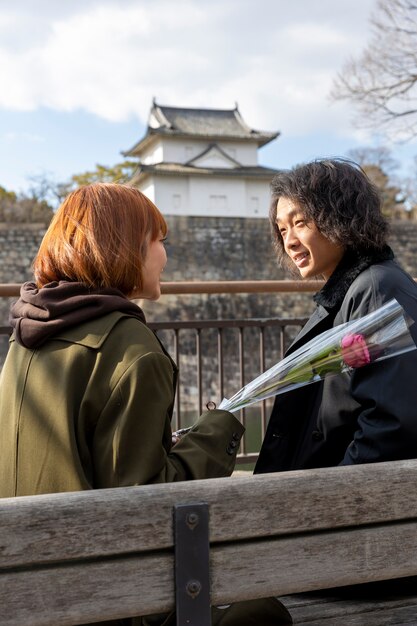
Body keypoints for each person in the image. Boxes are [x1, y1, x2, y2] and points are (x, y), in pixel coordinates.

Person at [0, 183, 291, 626]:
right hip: (102, 601)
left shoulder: (27, 335)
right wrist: (217, 428)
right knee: (267, 612)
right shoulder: (133, 351)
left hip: (21, 589)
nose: (165, 256)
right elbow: (147, 507)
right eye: (159, 241)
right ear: (125, 248)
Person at [255, 158, 417, 475]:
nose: (289, 241)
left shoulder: (375, 289)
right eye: (282, 229)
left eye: (300, 223)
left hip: (341, 497)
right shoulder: (359, 288)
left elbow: (392, 423)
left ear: (339, 216)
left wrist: (334, 490)